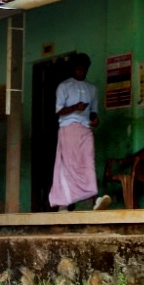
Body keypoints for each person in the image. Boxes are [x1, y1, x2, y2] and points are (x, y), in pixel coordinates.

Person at [49, 55, 108, 211]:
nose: (82, 71)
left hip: (86, 128)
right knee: (70, 166)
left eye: (84, 69)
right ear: (73, 69)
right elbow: (59, 111)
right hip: (68, 128)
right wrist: (75, 107)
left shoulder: (92, 88)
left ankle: (92, 198)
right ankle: (65, 202)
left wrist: (95, 120)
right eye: (79, 68)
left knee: (88, 162)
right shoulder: (64, 86)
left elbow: (94, 112)